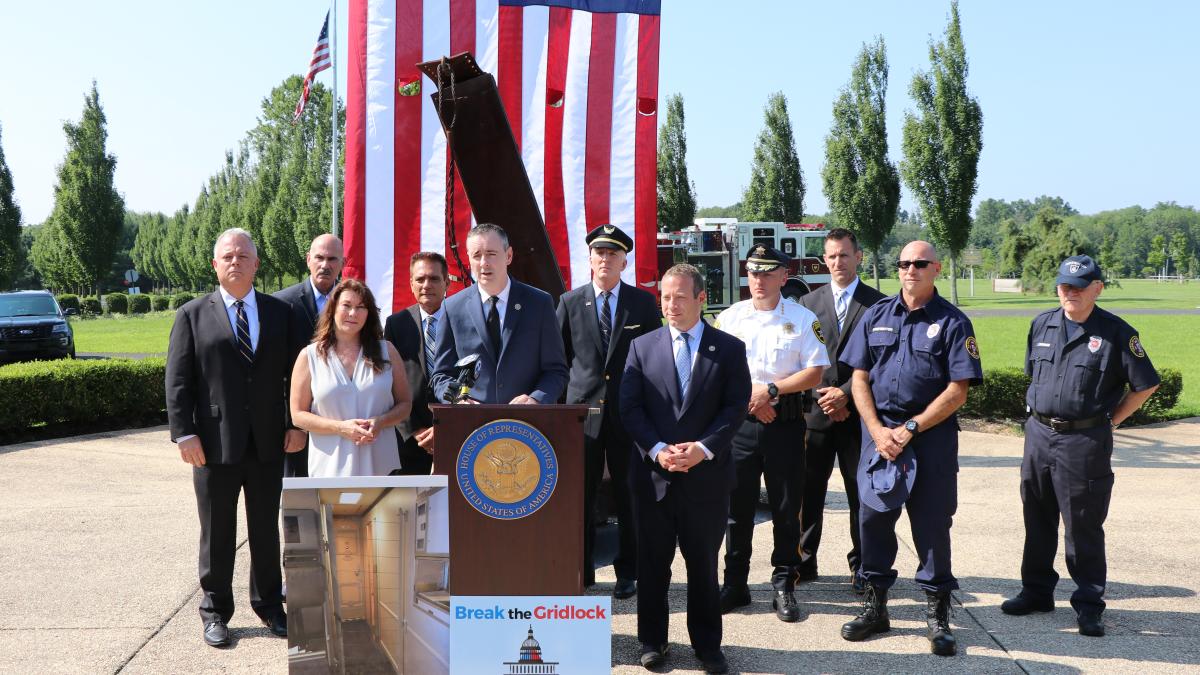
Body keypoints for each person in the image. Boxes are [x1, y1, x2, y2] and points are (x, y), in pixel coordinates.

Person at [1001, 255, 1160, 637]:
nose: (1069, 292)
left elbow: (1146, 384)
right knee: (1036, 518)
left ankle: (1089, 604)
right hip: (1039, 435)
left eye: (1078, 286)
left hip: (1084, 440)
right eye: (1064, 286)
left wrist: (1111, 421)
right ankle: (1036, 592)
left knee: (1083, 525)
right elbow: (1034, 377)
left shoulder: (1117, 332)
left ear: (1097, 288)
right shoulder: (1042, 323)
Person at [838, 240, 982, 657]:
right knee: (874, 522)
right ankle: (876, 607)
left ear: (936, 268)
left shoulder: (954, 322)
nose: (910, 270)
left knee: (932, 525)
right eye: (903, 263)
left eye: (919, 263)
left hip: (930, 439)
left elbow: (958, 391)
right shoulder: (877, 315)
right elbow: (859, 379)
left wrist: (911, 428)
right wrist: (878, 431)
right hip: (879, 437)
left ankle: (937, 616)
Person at [165, 228, 304, 647]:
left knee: (265, 529)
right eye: (227, 256)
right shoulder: (192, 314)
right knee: (217, 532)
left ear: (256, 264)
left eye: (244, 255)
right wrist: (183, 433)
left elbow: (296, 375)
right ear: (215, 264)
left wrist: (296, 423)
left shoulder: (280, 313)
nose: (235, 262)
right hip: (211, 445)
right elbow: (177, 381)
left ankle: (269, 607)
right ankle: (215, 612)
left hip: (268, 443)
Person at [620, 264, 751, 674]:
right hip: (654, 479)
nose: (670, 304)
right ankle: (652, 641)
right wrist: (658, 450)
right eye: (665, 296)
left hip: (706, 479)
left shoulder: (728, 349)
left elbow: (734, 407)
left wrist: (703, 449)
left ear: (701, 299)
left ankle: (707, 645)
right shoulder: (642, 347)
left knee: (702, 566)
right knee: (653, 566)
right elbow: (630, 407)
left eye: (679, 296)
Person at [714, 245, 828, 622]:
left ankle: (784, 583)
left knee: (785, 509)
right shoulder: (730, 319)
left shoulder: (802, 317)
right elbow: (716, 374)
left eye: (767, 273)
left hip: (786, 426)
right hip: (740, 428)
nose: (758, 280)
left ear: (784, 276)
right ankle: (735, 584)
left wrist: (772, 391)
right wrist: (753, 399)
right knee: (736, 509)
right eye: (753, 273)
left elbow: (815, 372)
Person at [557, 224, 661, 597]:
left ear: (624, 262)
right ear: (589, 260)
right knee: (580, 498)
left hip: (628, 417)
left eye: (613, 254)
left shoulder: (643, 304)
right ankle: (582, 572)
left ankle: (628, 572)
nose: (606, 259)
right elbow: (558, 362)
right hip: (581, 418)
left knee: (629, 496)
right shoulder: (569, 302)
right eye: (599, 253)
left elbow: (656, 360)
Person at [797, 228, 885, 592]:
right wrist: (823, 396)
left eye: (844, 255)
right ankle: (804, 562)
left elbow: (883, 361)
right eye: (831, 256)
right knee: (808, 493)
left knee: (859, 496)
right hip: (815, 415)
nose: (837, 263)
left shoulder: (879, 304)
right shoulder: (807, 304)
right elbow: (799, 358)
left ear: (859, 256)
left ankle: (861, 566)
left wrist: (846, 394)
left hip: (856, 417)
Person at [429, 223, 568, 405]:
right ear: (469, 259)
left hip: (526, 425)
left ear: (508, 256)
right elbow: (441, 375)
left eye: (491, 254)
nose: (484, 262)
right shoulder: (452, 307)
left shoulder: (539, 303)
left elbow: (556, 370)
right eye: (477, 256)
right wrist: (457, 400)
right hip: (473, 425)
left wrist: (536, 398)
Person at [289, 278, 413, 477]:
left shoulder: (387, 351)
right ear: (333, 308)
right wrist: (340, 428)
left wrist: (381, 421)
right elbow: (298, 415)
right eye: (346, 305)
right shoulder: (309, 356)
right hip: (328, 469)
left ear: (369, 313)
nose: (353, 313)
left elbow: (405, 404)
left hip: (379, 466)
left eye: (361, 307)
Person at [274, 233, 345, 477]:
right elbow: (276, 371)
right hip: (299, 424)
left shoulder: (354, 302)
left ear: (342, 263)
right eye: (319, 258)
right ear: (308, 260)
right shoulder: (281, 304)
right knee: (301, 503)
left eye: (332, 259)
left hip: (343, 421)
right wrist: (291, 425)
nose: (325, 265)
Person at [383, 251, 450, 475]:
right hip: (411, 441)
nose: (426, 285)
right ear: (411, 284)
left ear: (446, 282)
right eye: (420, 279)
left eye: (434, 278)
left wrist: (446, 428)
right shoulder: (396, 324)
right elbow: (388, 383)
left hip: (457, 434)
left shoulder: (463, 319)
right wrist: (415, 429)